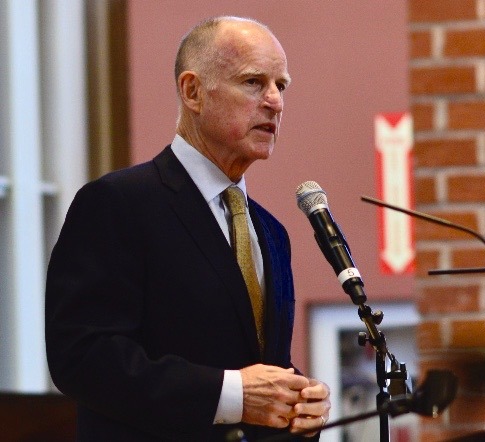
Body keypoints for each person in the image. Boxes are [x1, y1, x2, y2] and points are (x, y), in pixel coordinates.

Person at [45, 16, 330, 441]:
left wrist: (299, 400)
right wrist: (232, 395)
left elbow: (258, 365)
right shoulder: (117, 203)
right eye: (253, 82)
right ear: (192, 91)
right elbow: (83, 357)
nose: (275, 102)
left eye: (281, 85)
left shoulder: (271, 231)